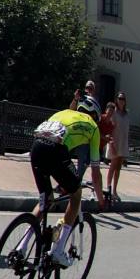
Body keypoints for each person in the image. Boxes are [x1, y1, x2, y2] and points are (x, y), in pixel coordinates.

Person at [30, 96, 108, 269]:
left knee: (46, 200)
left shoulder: (63, 113)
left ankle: (21, 247)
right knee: (76, 194)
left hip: (36, 147)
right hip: (56, 151)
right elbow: (95, 171)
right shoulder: (93, 127)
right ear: (95, 115)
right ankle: (57, 252)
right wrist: (101, 199)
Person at [103, 92, 129, 203]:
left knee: (118, 168)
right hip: (114, 142)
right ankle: (108, 188)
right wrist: (111, 144)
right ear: (116, 100)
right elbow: (110, 129)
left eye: (123, 98)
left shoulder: (127, 114)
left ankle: (114, 191)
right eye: (119, 98)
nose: (121, 100)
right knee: (112, 167)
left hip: (123, 142)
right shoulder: (114, 113)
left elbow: (127, 130)